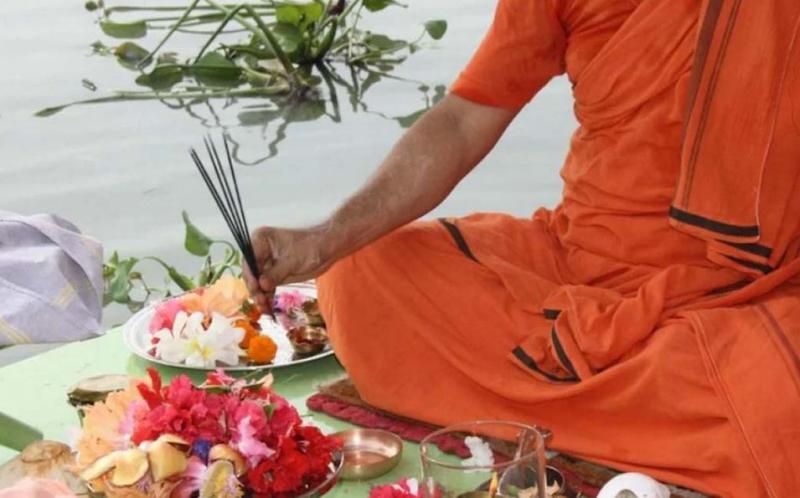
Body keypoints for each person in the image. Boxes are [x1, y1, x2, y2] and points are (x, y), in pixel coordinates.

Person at [244, 1, 800, 496]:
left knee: (778, 386)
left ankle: (578, 410)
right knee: (360, 273)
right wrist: (324, 239)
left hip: (745, 284)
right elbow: (463, 119)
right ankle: (667, 425)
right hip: (576, 258)